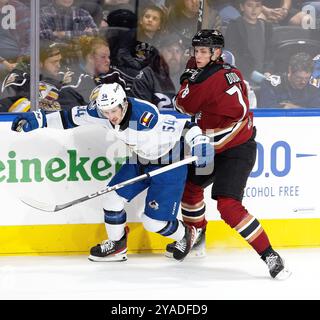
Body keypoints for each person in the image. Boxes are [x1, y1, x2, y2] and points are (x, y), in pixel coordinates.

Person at [11, 82, 215, 262]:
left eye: (113, 111)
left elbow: (185, 124)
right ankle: (117, 245)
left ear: (124, 103)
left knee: (152, 222)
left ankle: (186, 234)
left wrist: (201, 142)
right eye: (106, 112)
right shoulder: (101, 112)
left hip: (169, 162)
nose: (110, 117)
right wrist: (38, 120)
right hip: (140, 159)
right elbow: (69, 117)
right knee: (111, 199)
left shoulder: (144, 116)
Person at [167, 29, 291, 280]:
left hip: (236, 149)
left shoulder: (208, 81)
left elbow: (181, 105)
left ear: (217, 53)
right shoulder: (228, 72)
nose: (198, 55)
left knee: (228, 205)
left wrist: (188, 81)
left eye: (203, 51)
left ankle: (269, 254)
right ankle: (195, 234)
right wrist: (193, 74)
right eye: (196, 51)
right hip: (212, 144)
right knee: (190, 188)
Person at [59, 36, 128, 108]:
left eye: (108, 57)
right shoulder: (73, 80)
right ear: (90, 58)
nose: (108, 61)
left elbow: (127, 102)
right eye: (103, 57)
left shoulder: (115, 75)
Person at [131, 33, 186, 110]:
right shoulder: (146, 76)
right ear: (160, 52)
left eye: (178, 51)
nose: (174, 55)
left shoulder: (189, 76)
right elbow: (141, 112)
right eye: (169, 50)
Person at [224, 0, 274, 83]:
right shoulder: (235, 26)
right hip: (242, 75)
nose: (254, 10)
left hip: (263, 75)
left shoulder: (267, 27)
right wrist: (250, 72)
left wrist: (268, 71)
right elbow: (232, 53)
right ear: (242, 7)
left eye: (257, 6)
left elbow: (270, 53)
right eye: (250, 5)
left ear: (262, 8)